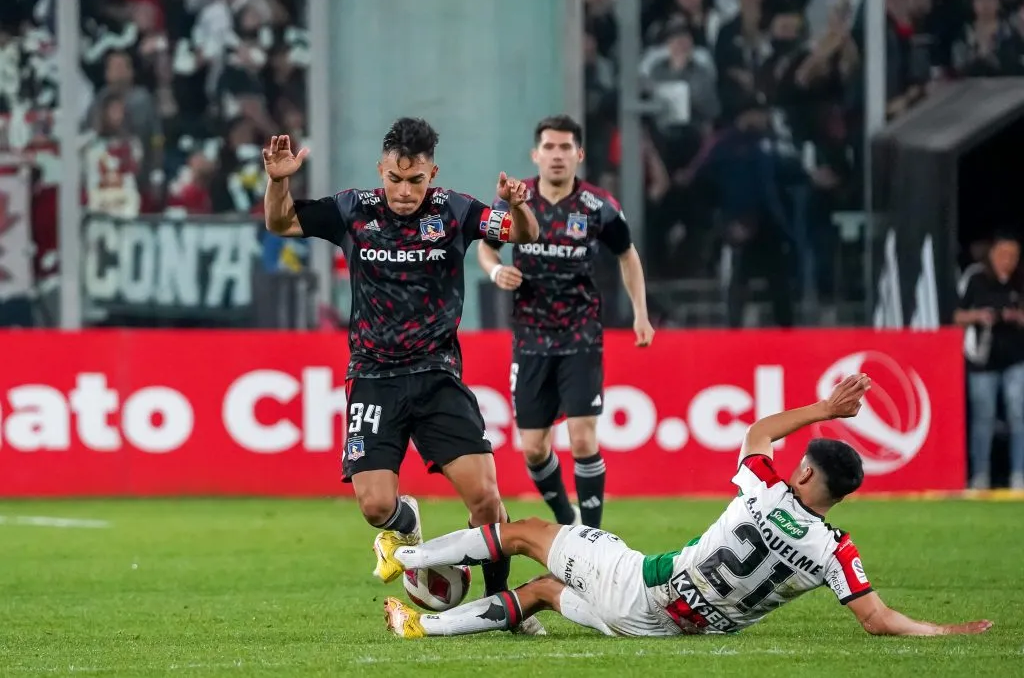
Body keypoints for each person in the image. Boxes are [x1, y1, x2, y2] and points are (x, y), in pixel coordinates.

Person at [373, 374, 993, 639]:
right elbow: (878, 620)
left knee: (525, 531)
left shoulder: (765, 490)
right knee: (538, 591)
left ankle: (405, 555)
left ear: (803, 470)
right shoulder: (835, 551)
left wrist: (825, 409)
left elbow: (758, 431)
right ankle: (418, 625)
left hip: (640, 588)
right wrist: (948, 631)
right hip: (669, 629)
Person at [262, 117, 546, 634]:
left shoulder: (455, 211)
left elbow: (520, 233)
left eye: (416, 180)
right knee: (374, 506)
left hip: (437, 374)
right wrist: (279, 181)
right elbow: (281, 225)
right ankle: (406, 523)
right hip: (373, 376)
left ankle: (501, 605)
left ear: (431, 174)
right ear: (382, 170)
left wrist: (519, 204)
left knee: (485, 496)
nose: (405, 191)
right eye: (396, 178)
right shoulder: (354, 210)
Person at [477, 114, 655, 529]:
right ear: (536, 155)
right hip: (530, 336)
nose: (557, 156)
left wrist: (641, 314)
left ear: (579, 154)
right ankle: (565, 518)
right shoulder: (514, 201)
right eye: (549, 148)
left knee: (582, 438)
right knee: (535, 449)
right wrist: (495, 271)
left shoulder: (599, 207)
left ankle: (592, 536)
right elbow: (486, 248)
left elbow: (627, 255)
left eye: (565, 148)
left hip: (581, 334)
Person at [955, 231, 1024, 490]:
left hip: (1016, 358)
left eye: (1014, 256)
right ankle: (980, 476)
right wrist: (980, 316)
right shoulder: (976, 277)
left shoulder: (1019, 279)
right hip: (982, 361)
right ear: (992, 255)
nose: (1008, 260)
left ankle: (1018, 475)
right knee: (984, 417)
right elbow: (956, 315)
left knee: (1019, 414)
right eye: (1003, 255)